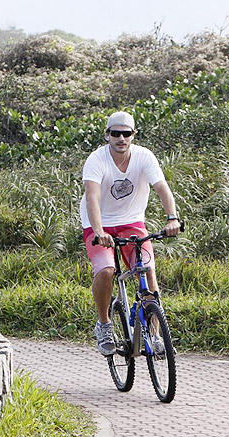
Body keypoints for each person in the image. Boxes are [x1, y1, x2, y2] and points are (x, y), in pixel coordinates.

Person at [79, 110, 181, 356]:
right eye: (116, 133)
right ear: (107, 135)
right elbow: (92, 198)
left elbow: (162, 189)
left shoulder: (145, 157)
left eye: (126, 134)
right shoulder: (96, 160)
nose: (121, 138)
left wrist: (172, 218)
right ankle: (104, 324)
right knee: (105, 270)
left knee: (147, 269)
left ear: (133, 135)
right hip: (98, 223)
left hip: (132, 222)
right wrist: (99, 230)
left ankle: (155, 335)